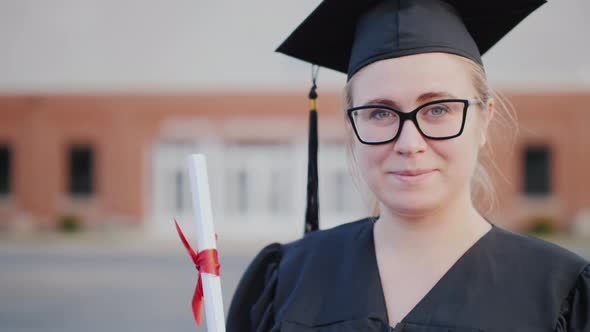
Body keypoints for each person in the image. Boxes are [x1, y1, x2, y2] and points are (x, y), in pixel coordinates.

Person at [226, 0, 590, 331]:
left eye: (437, 110)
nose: (409, 144)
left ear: (484, 120)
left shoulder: (559, 293)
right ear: (352, 126)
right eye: (380, 113)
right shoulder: (285, 281)